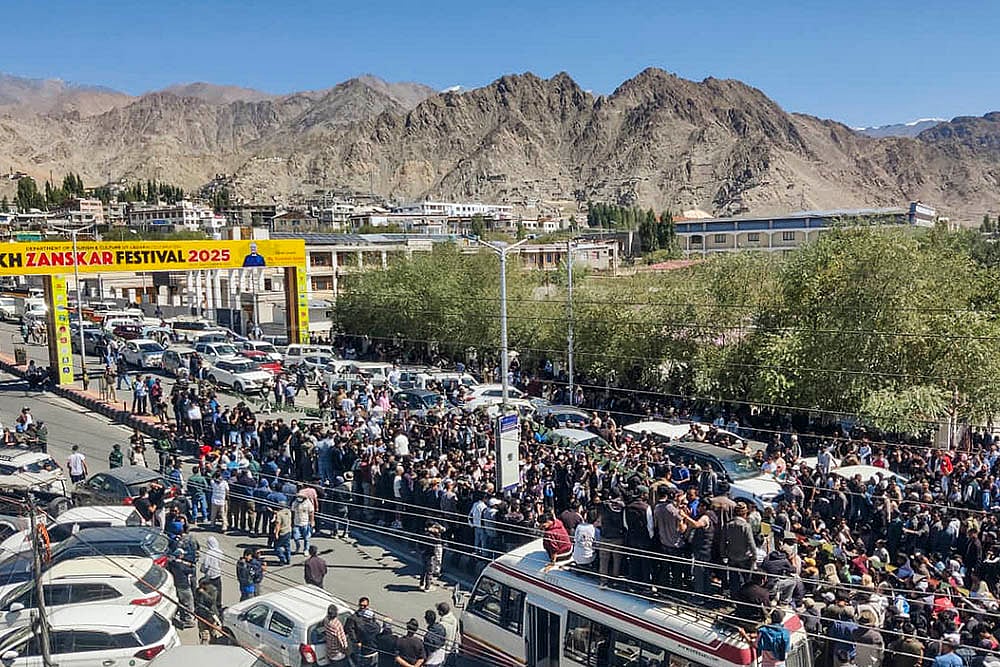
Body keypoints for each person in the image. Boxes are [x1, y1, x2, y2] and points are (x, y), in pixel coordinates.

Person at [167, 548, 195, 629]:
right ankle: (188, 620)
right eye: (182, 554)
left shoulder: (172, 564)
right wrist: (190, 565)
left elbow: (172, 561)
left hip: (177, 586)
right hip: (184, 587)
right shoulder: (181, 566)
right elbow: (191, 570)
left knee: (182, 603)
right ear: (180, 556)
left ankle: (183, 617)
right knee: (189, 603)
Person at [200, 536, 224, 612]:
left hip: (209, 578)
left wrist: (203, 570)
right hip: (218, 576)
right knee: (219, 594)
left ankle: (211, 609)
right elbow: (221, 563)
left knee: (210, 595)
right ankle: (219, 607)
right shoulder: (220, 552)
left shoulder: (208, 554)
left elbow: (205, 566)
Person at [194, 578, 220, 645]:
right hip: (201, 615)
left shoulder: (213, 590)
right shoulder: (198, 590)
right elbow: (196, 600)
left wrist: (204, 593)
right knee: (204, 633)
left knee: (214, 632)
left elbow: (212, 601)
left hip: (211, 615)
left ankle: (214, 644)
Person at [273, 501, 293, 565]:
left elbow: (278, 525)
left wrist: (276, 533)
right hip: (288, 531)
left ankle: (282, 558)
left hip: (282, 532)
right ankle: (288, 558)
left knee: (277, 547)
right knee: (287, 546)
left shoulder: (279, 514)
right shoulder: (288, 511)